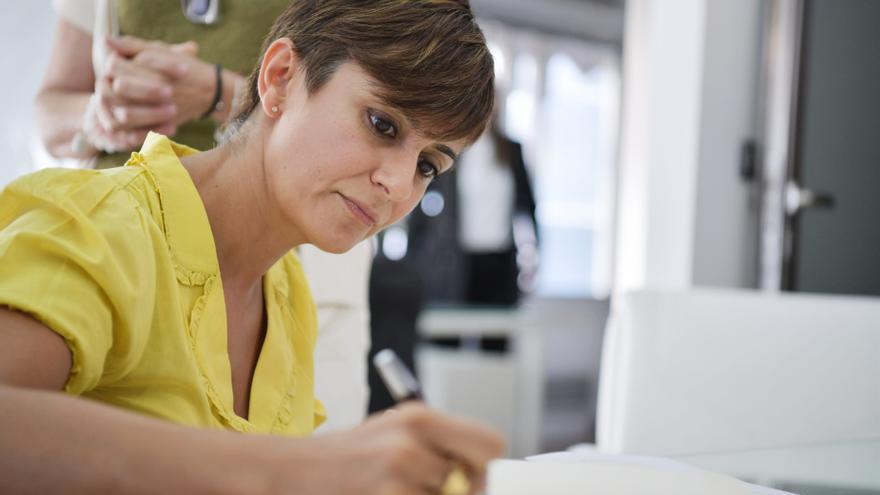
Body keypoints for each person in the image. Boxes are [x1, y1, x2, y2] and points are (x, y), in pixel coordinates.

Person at [0, 1, 503, 493]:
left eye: (427, 166)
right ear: (281, 77)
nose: (397, 184)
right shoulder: (99, 231)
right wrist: (296, 470)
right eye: (382, 124)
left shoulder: (286, 298)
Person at [35, 0, 372, 432]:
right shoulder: (81, 233)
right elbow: (52, 104)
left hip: (295, 262)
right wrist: (99, 114)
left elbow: (386, 100)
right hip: (126, 244)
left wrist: (221, 94)